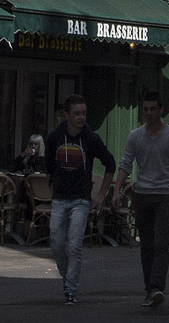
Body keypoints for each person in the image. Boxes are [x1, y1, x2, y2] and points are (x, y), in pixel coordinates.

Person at [117, 89, 169, 311]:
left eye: (153, 109)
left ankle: (157, 287)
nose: (149, 113)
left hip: (166, 195)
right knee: (146, 244)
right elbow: (125, 164)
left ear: (161, 110)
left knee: (162, 243)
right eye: (145, 109)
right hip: (143, 194)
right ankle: (150, 288)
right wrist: (116, 190)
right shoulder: (135, 136)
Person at [44, 98, 115, 305]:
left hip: (81, 199)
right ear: (66, 114)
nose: (81, 117)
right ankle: (68, 279)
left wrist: (101, 195)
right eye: (76, 113)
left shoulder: (90, 138)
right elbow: (48, 166)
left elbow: (110, 163)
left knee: (74, 245)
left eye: (83, 113)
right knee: (56, 244)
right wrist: (52, 189)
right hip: (59, 198)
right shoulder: (55, 136)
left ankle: (71, 289)